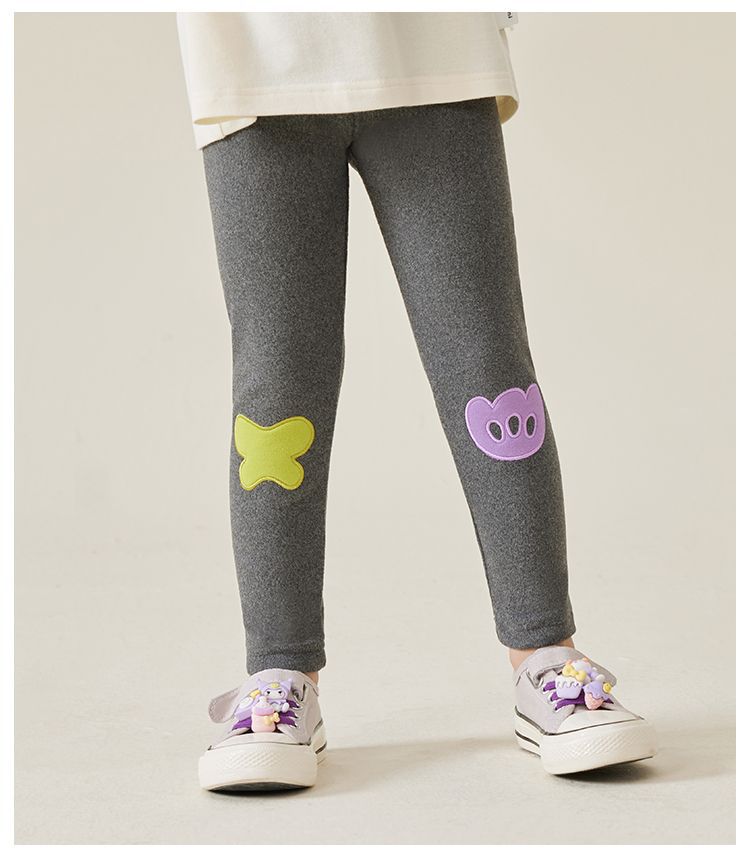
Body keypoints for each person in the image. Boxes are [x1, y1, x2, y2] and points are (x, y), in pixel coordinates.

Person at [177, 11, 656, 792]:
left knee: (490, 373)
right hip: (252, 60)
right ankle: (279, 673)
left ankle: (546, 655)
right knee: (275, 397)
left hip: (434, 49)